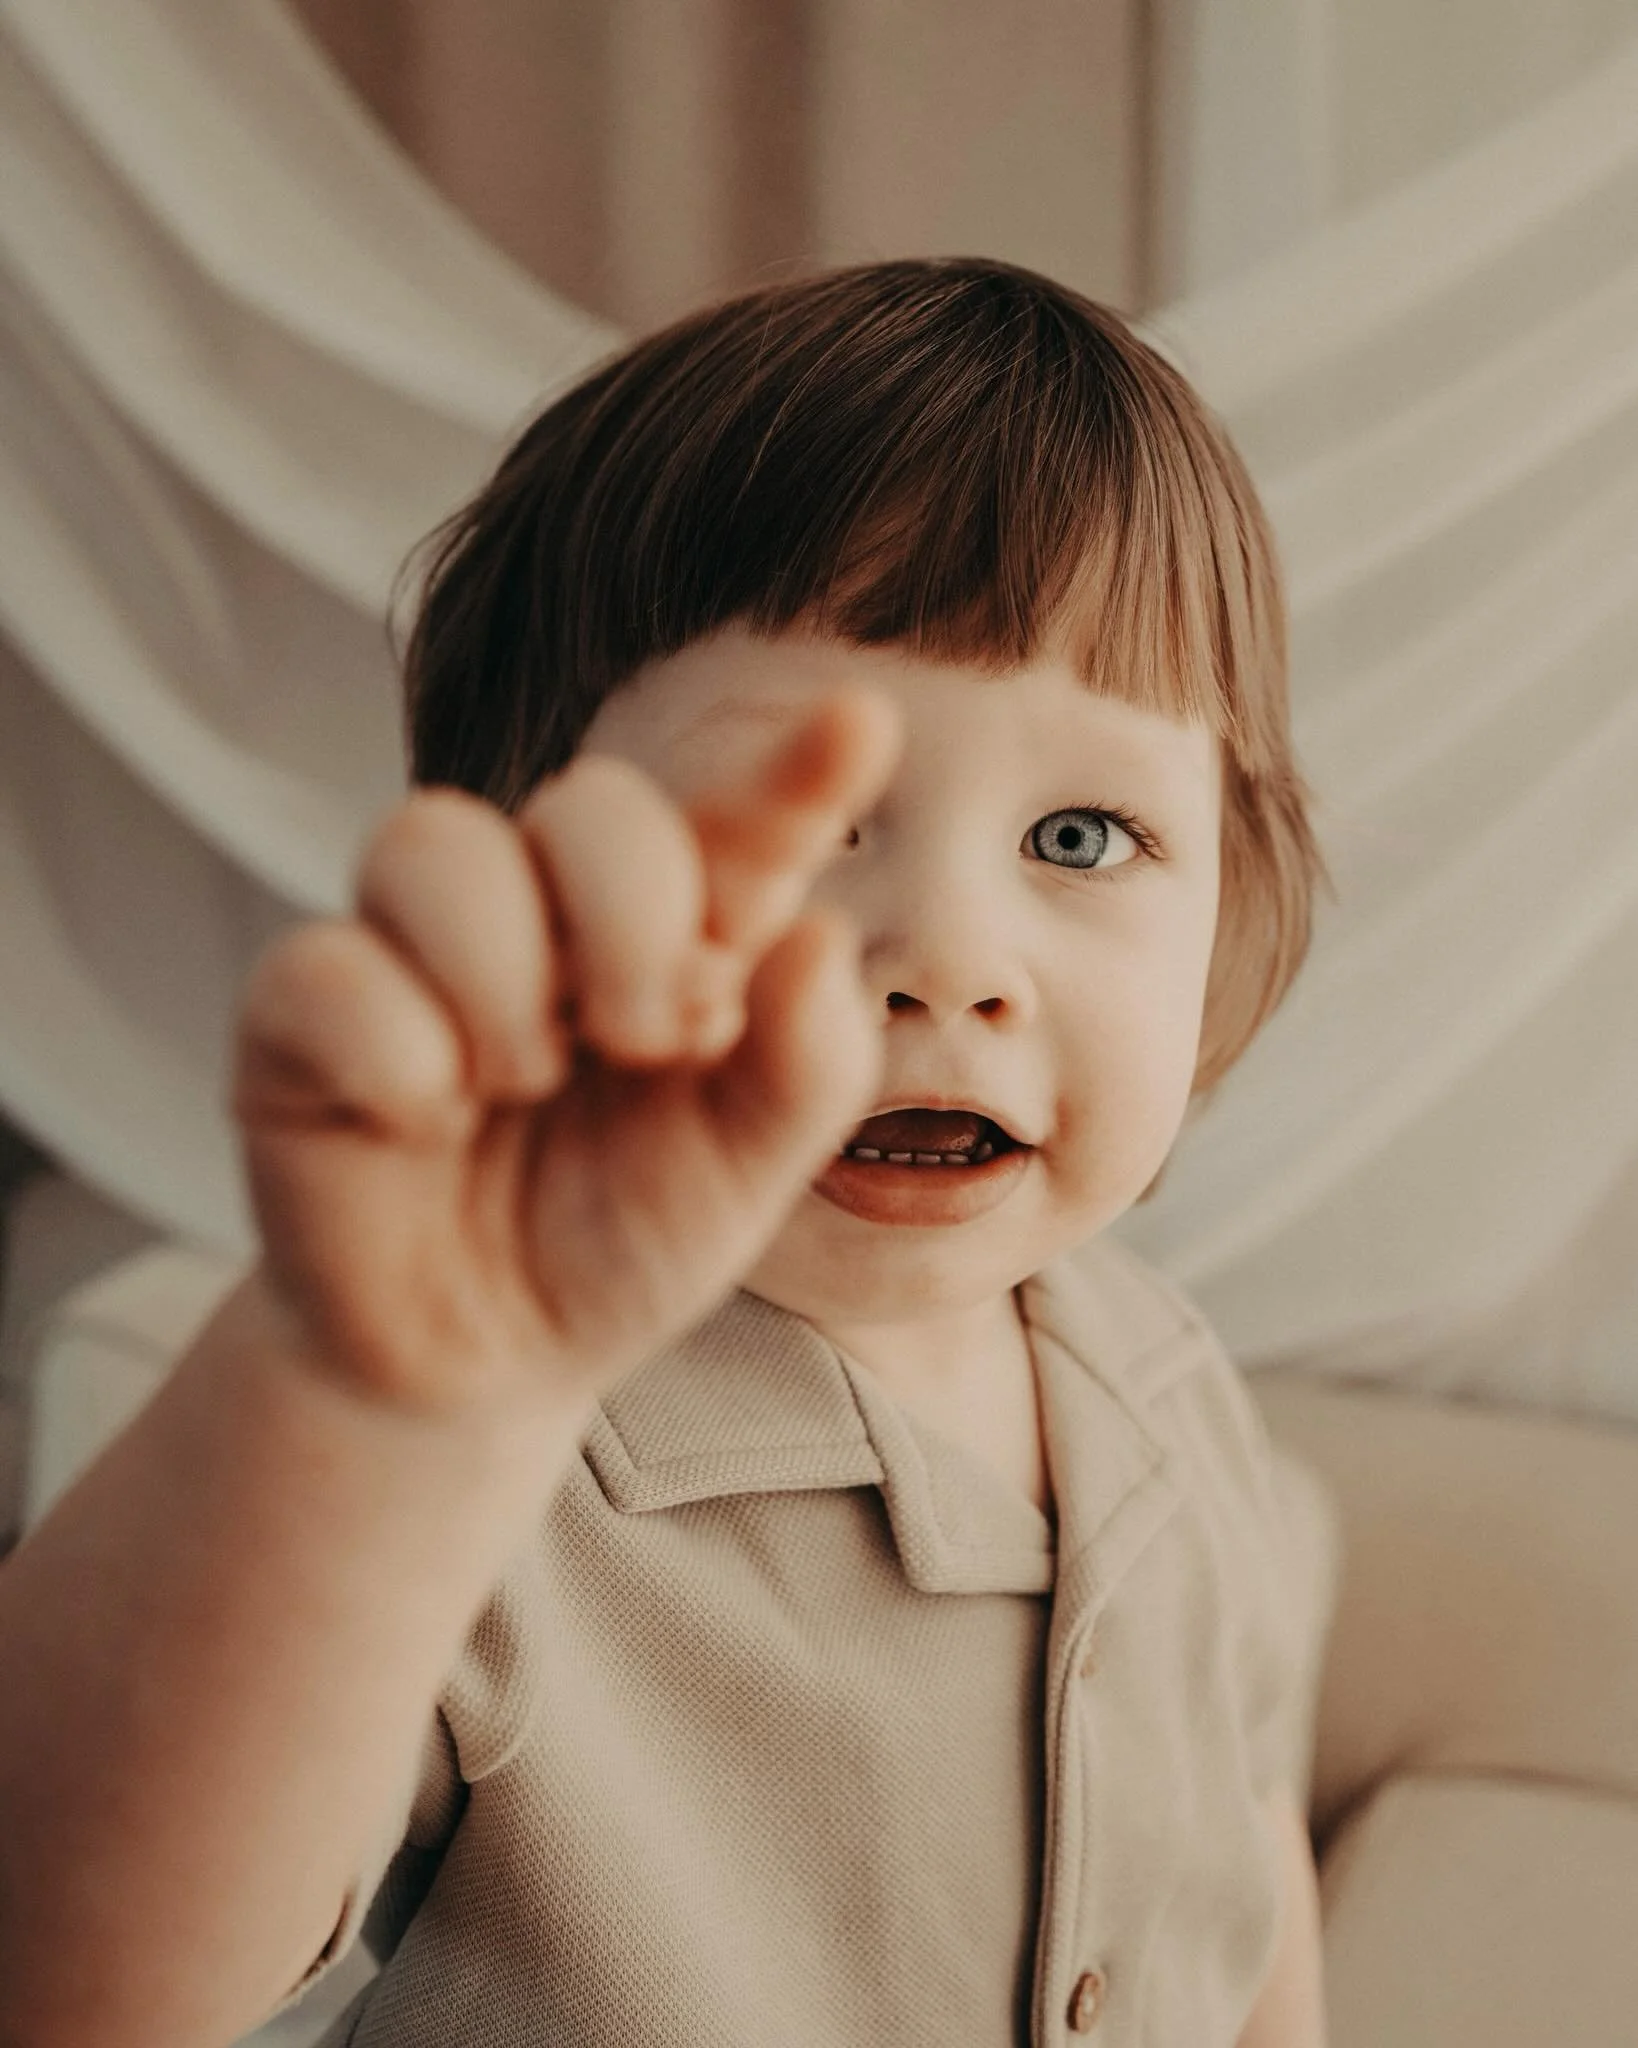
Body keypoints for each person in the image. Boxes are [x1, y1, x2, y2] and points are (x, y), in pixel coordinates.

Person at [0, 259, 1339, 2047]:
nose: (946, 957)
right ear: (544, 884)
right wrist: (352, 1409)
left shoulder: (1171, 1396)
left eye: (1081, 834)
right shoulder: (472, 1483)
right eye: (800, 822)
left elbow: (1243, 1882)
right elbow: (67, 1977)